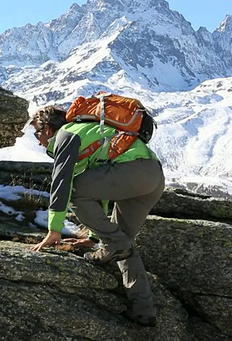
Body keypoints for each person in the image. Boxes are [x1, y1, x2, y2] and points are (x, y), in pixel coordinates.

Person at [26, 104, 165, 327]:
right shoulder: (90, 132)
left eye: (37, 133)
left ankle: (111, 244)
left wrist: (54, 230)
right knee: (122, 244)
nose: (37, 139)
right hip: (154, 177)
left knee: (77, 194)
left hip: (134, 172)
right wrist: (94, 237)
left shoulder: (66, 134)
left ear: (49, 128)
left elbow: (62, 183)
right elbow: (99, 189)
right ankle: (143, 311)